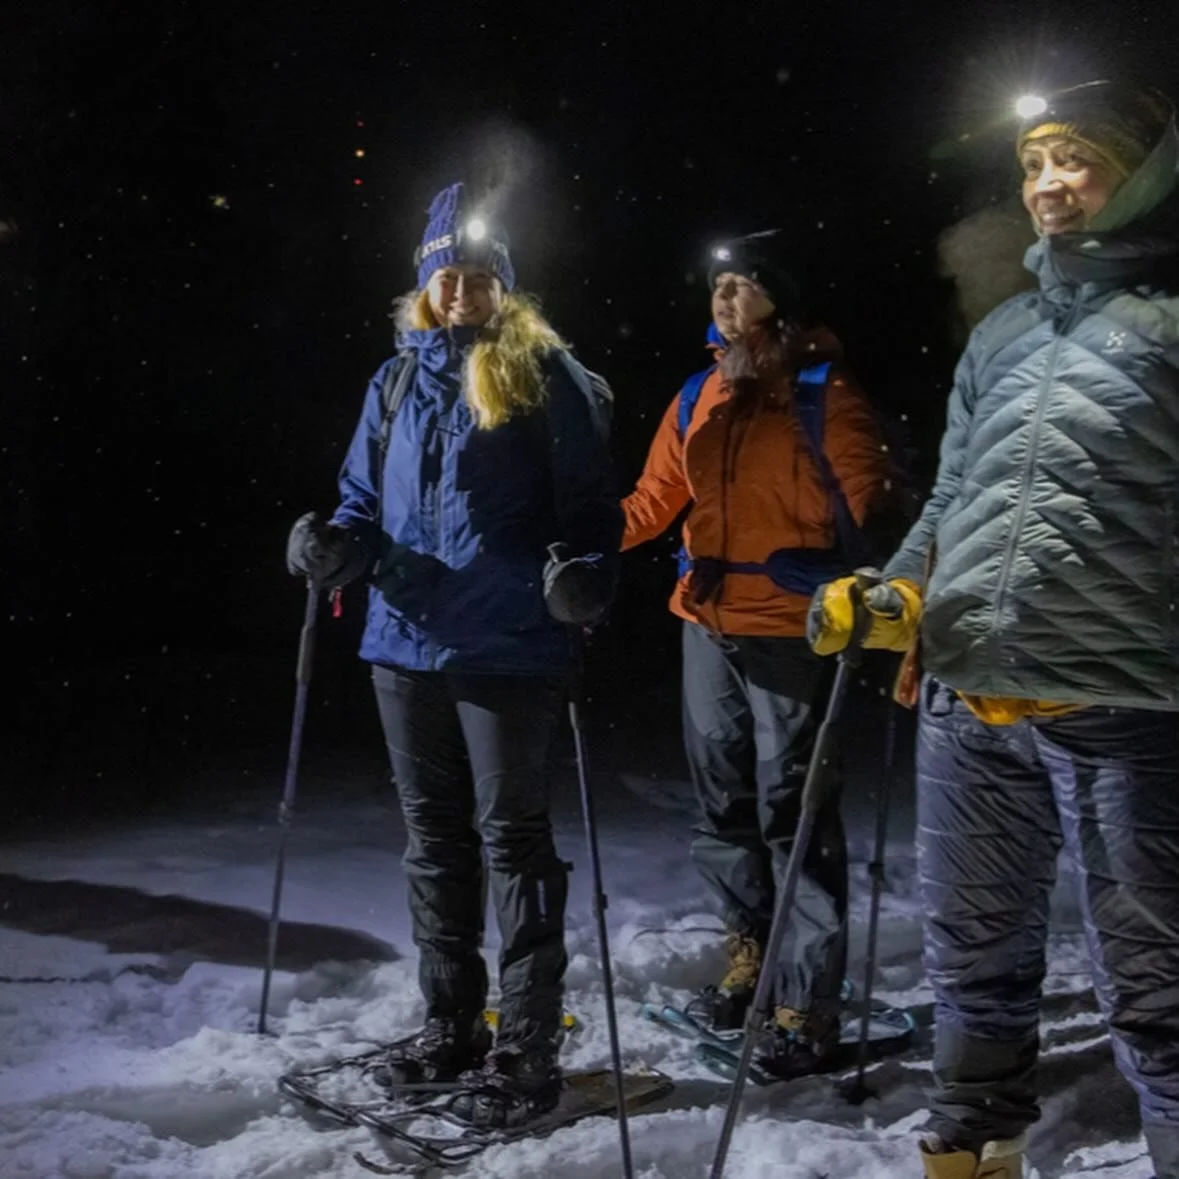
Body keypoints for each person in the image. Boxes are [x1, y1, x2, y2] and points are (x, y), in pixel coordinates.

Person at [808, 81, 1179, 1179]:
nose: (1047, 185)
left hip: (1122, 698)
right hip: (969, 697)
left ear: (1146, 174)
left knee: (1157, 980)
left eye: (1076, 160)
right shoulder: (1005, 331)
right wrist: (898, 593)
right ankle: (975, 1146)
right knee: (971, 958)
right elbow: (952, 497)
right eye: (1032, 165)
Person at [287, 181, 623, 1128]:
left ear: (503, 285)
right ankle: (451, 1024)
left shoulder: (546, 376)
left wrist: (584, 575)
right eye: (447, 277)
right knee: (433, 842)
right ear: (425, 285)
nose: (462, 292)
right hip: (402, 644)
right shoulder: (393, 380)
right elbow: (361, 499)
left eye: (478, 277)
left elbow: (591, 508)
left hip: (510, 644)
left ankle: (526, 1043)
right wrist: (333, 545)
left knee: (511, 841)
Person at [622, 230, 888, 1077]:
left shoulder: (820, 390)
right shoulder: (699, 390)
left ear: (781, 296)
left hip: (790, 626)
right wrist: (576, 548)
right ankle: (753, 959)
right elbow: (653, 498)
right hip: (705, 620)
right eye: (717, 285)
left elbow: (871, 505)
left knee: (793, 811)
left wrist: (856, 575)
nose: (725, 298)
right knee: (722, 806)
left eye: (742, 284)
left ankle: (805, 1002)